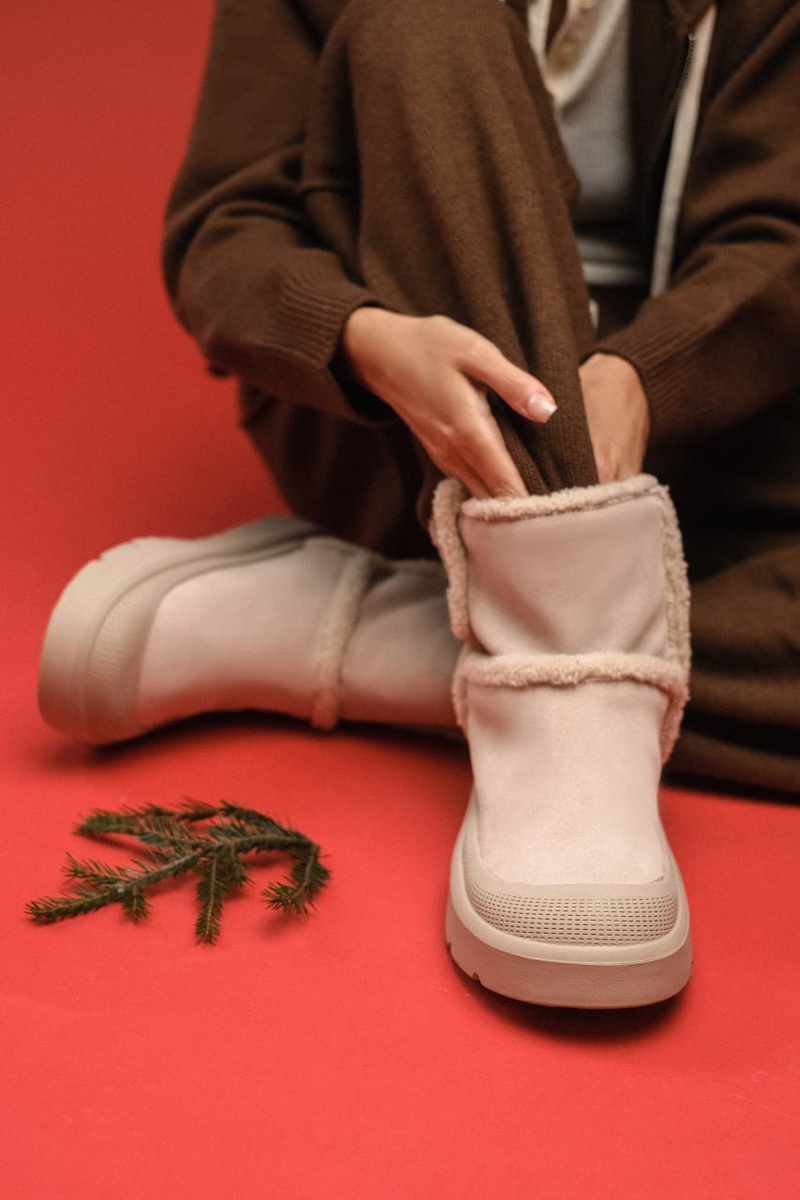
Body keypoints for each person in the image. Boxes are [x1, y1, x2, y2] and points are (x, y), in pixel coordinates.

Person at [38, 0, 800, 1008]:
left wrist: (642, 380)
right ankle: (557, 678)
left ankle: (375, 631)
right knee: (422, 18)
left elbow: (780, 232)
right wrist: (360, 339)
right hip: (406, 431)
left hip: (704, 414)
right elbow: (225, 228)